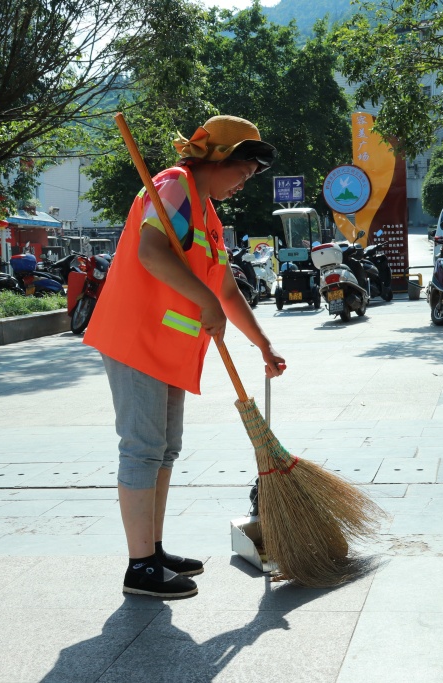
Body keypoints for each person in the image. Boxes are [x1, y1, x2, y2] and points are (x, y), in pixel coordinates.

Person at [83, 115, 286, 599]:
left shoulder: (206, 212)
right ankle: (139, 567)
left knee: (164, 450)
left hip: (169, 348)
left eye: (251, 175)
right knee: (142, 448)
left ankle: (152, 550)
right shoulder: (172, 186)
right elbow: (152, 253)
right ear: (216, 158)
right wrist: (205, 302)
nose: (244, 182)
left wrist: (262, 343)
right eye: (242, 170)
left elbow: (227, 288)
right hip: (137, 338)